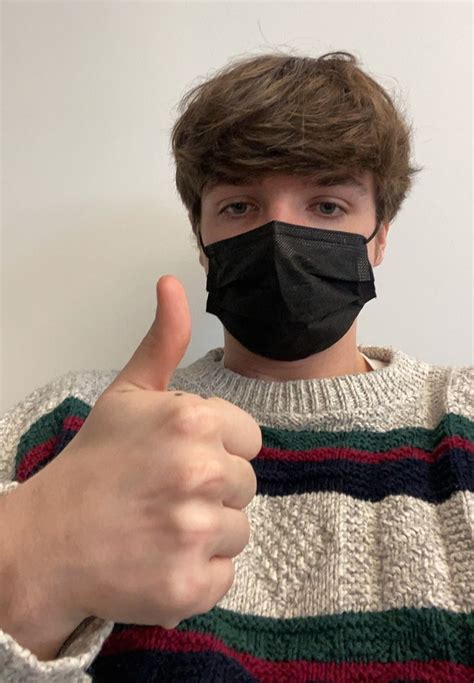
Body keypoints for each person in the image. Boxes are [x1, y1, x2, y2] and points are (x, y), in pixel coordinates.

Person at [0, 51, 472, 682]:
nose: (280, 238)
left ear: (381, 236)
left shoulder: (465, 420)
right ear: (201, 241)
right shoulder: (72, 427)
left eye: (327, 206)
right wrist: (28, 563)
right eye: (240, 207)